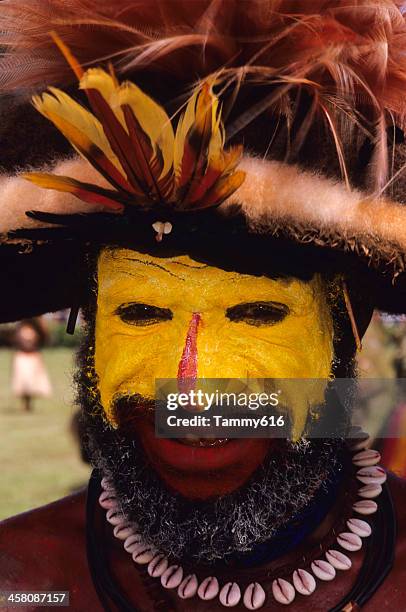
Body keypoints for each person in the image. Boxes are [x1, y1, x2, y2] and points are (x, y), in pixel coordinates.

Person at [0, 1, 406, 610]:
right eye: (140, 314)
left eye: (258, 315)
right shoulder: (23, 583)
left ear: (344, 333)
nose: (189, 384)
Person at [11, 317, 52, 412]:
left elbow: (45, 339)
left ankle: (28, 404)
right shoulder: (20, 329)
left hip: (33, 356)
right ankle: (25, 404)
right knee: (23, 382)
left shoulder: (37, 329)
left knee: (31, 383)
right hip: (22, 356)